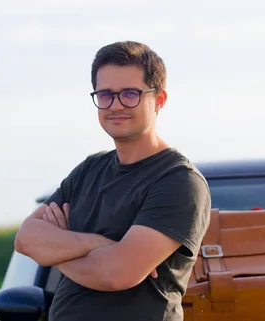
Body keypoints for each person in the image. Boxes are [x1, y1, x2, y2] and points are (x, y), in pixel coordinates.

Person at [13, 41, 212, 321]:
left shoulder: (178, 181)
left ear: (159, 99)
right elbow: (26, 240)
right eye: (105, 95)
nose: (116, 105)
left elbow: (117, 274)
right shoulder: (89, 170)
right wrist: (98, 243)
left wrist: (57, 248)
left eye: (130, 94)